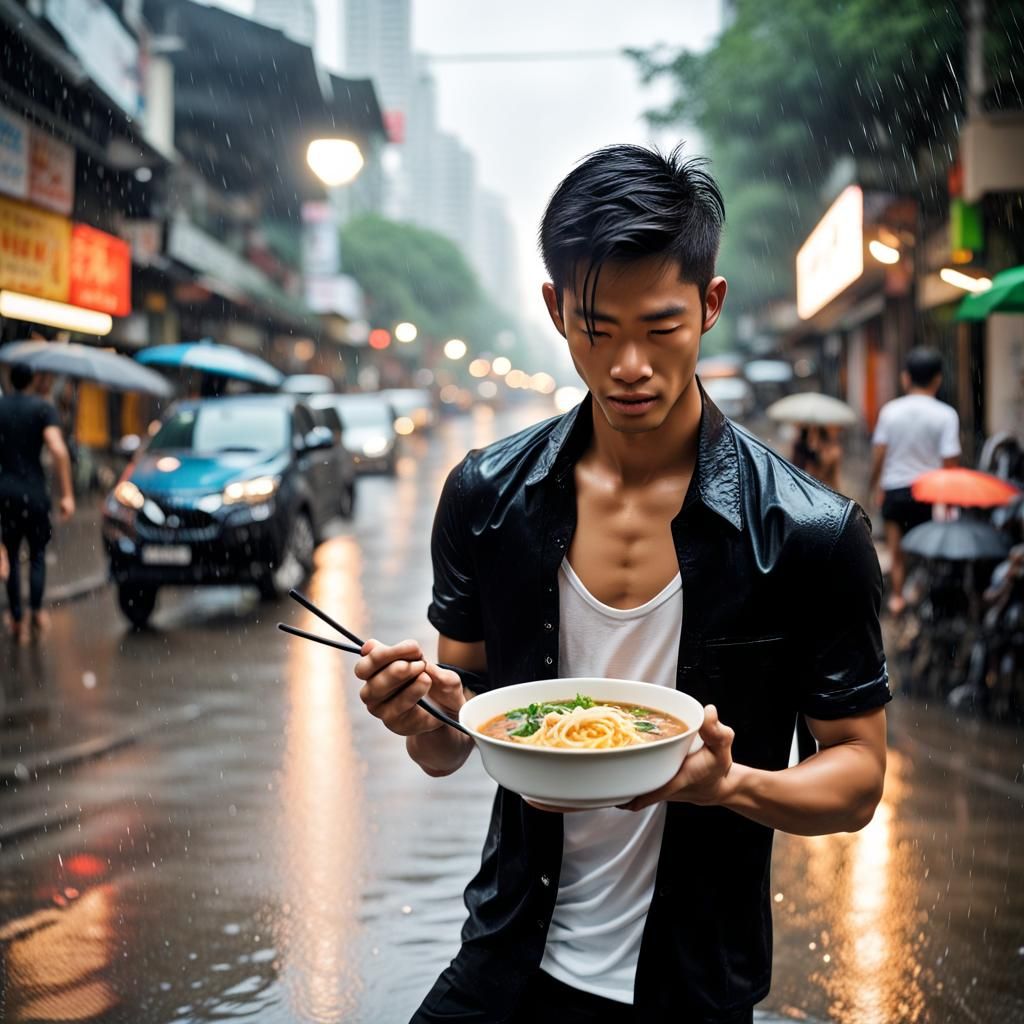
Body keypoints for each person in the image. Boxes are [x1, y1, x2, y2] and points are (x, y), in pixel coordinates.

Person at [355, 145, 889, 1023]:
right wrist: (424, 712)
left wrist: (731, 787)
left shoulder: (809, 534)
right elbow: (456, 743)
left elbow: (858, 780)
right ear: (556, 310)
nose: (629, 365)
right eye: (597, 330)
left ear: (710, 306)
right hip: (506, 959)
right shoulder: (489, 499)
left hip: (692, 985)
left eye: (661, 326)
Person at [869, 348, 961, 615]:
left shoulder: (890, 411)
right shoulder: (946, 415)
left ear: (906, 378)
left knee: (898, 554)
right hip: (929, 494)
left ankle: (898, 599)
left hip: (895, 492)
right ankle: (928, 600)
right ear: (937, 380)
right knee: (929, 552)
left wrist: (876, 486)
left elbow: (879, 456)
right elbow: (950, 463)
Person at [0, 362, 76, 641]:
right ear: (32, 379)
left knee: (10, 551)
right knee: (37, 556)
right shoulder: (43, 409)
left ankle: (17, 617)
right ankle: (35, 611)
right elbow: (57, 448)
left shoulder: (2, 407)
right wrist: (67, 494)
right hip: (34, 494)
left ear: (9, 379)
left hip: (5, 493)